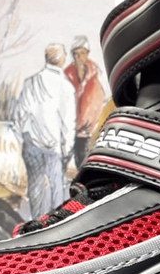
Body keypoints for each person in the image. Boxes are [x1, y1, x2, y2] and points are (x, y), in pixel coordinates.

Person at [16, 44, 76, 219]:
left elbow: (19, 115)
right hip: (54, 147)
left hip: (32, 144)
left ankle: (36, 222)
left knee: (35, 189)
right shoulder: (66, 87)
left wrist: (24, 137)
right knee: (56, 190)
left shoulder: (30, 83)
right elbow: (68, 123)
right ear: (61, 59)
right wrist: (67, 149)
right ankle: (54, 225)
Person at [64, 35, 106, 166]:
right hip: (71, 127)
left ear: (87, 53)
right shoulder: (66, 74)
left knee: (84, 159)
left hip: (89, 129)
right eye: (75, 54)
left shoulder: (95, 73)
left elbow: (99, 100)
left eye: (82, 53)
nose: (79, 57)